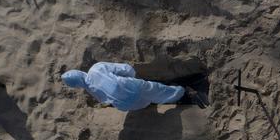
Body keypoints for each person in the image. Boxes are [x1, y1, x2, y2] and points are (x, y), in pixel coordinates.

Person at [61, 62, 204, 111]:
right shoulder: (96, 69)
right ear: (79, 72)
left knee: (147, 100)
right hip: (130, 86)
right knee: (158, 90)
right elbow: (126, 69)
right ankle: (183, 92)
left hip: (128, 104)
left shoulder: (91, 91)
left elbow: (106, 101)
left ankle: (153, 103)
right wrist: (132, 76)